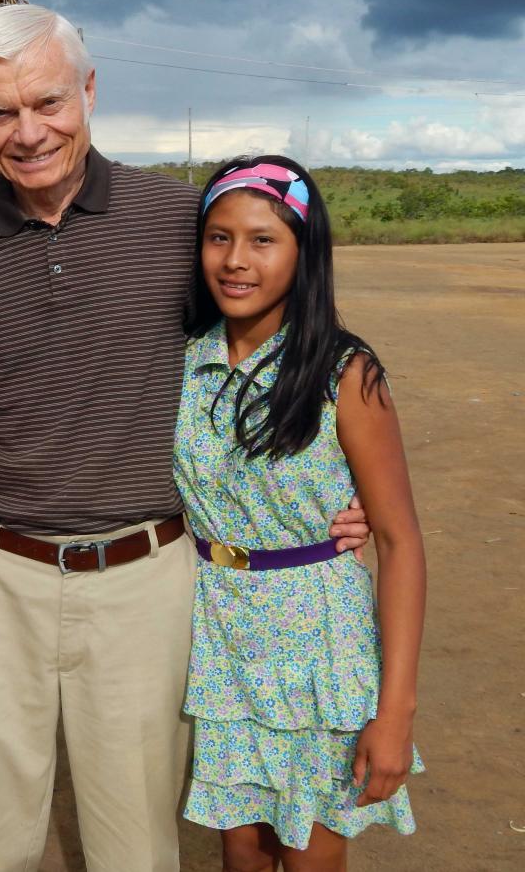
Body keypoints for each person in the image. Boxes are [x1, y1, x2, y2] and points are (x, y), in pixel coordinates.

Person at [0, 4, 370, 872]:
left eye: (48, 101)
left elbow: (280, 352)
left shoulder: (178, 223)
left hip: (146, 576)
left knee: (135, 837)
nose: (29, 132)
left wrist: (332, 495)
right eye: (0, 114)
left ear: (89, 90)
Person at [176, 157, 425, 870]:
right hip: (218, 635)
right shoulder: (185, 362)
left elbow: (401, 543)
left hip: (318, 645)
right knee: (242, 856)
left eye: (262, 240)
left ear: (304, 250)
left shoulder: (344, 374)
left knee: (310, 857)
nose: (234, 260)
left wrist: (396, 710)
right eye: (218, 238)